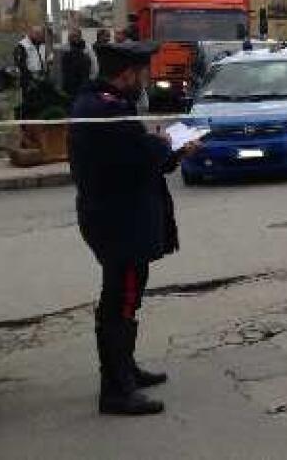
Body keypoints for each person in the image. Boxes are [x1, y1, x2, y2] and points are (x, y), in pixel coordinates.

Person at [69, 41, 200, 416]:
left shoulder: (101, 103)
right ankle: (115, 389)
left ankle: (124, 369)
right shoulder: (104, 110)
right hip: (118, 222)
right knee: (120, 301)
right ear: (127, 74)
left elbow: (141, 156)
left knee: (125, 297)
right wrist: (169, 146)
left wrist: (161, 147)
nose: (145, 80)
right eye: (142, 73)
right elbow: (140, 157)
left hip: (118, 217)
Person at [13, 26, 48, 118]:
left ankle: (38, 119)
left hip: (41, 77)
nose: (39, 36)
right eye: (37, 34)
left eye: (40, 34)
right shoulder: (22, 46)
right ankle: (26, 121)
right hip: (28, 80)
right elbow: (21, 65)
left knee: (40, 102)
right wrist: (30, 79)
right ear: (30, 33)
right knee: (28, 103)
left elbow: (42, 60)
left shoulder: (41, 44)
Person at [60, 28, 92, 97]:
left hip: (83, 82)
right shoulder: (64, 48)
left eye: (75, 36)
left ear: (80, 36)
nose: (73, 38)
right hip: (69, 83)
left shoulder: (87, 48)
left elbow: (94, 64)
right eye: (71, 36)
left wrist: (91, 78)